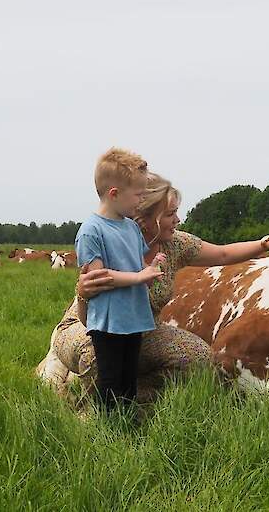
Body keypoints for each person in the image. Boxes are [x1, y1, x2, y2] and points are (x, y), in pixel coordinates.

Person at [36, 171, 269, 406]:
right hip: (92, 330)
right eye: (170, 213)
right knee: (100, 358)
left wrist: (268, 243)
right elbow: (87, 319)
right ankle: (89, 406)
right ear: (145, 217)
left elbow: (223, 254)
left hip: (142, 333)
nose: (178, 219)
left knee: (198, 357)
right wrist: (83, 293)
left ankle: (138, 399)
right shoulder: (110, 240)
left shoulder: (174, 244)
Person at [75, 147, 165, 411]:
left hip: (133, 318)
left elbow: (139, 267)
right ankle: (108, 433)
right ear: (114, 194)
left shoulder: (131, 227)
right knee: (111, 381)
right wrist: (139, 276)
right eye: (137, 195)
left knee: (129, 380)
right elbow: (99, 277)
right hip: (109, 323)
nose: (140, 202)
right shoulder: (91, 230)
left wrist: (151, 269)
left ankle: (126, 425)